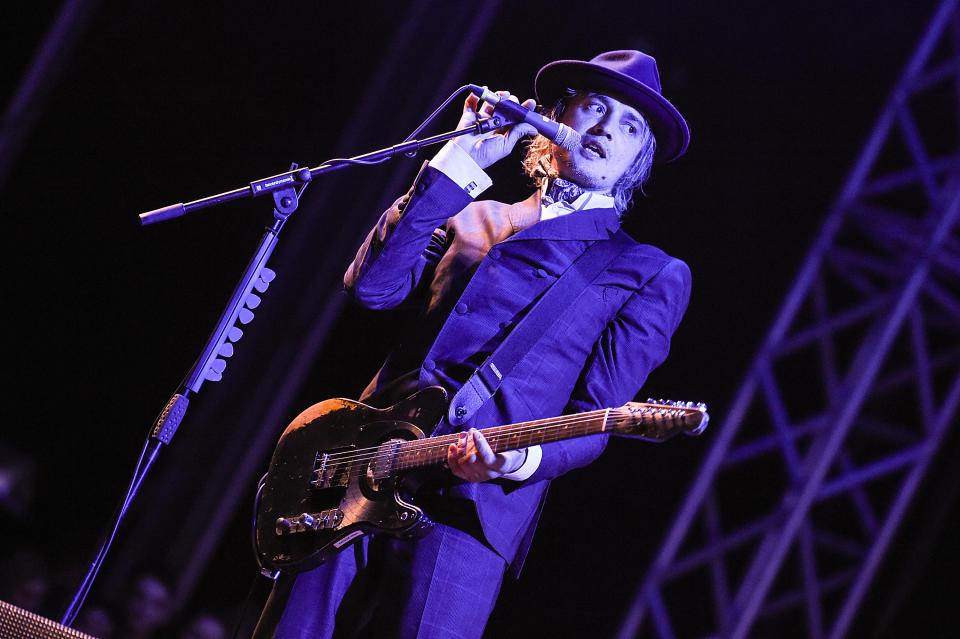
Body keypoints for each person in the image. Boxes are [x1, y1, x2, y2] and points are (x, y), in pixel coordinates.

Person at [269, 49, 691, 638]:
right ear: (554, 115)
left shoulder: (646, 271)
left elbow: (595, 420)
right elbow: (372, 287)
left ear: (637, 160)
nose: (603, 131)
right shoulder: (472, 216)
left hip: (474, 508)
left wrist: (515, 459)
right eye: (593, 108)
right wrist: (460, 161)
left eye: (627, 128)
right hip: (362, 467)